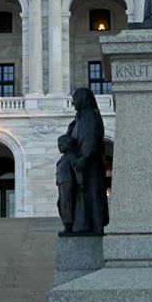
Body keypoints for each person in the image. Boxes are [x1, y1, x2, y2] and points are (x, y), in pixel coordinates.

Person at [58, 87, 109, 234]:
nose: (73, 102)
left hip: (89, 164)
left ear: (84, 99)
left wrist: (85, 156)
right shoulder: (77, 119)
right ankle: (79, 226)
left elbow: (92, 138)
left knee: (92, 195)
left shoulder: (91, 116)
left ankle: (97, 227)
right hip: (77, 166)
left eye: (75, 98)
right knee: (76, 199)